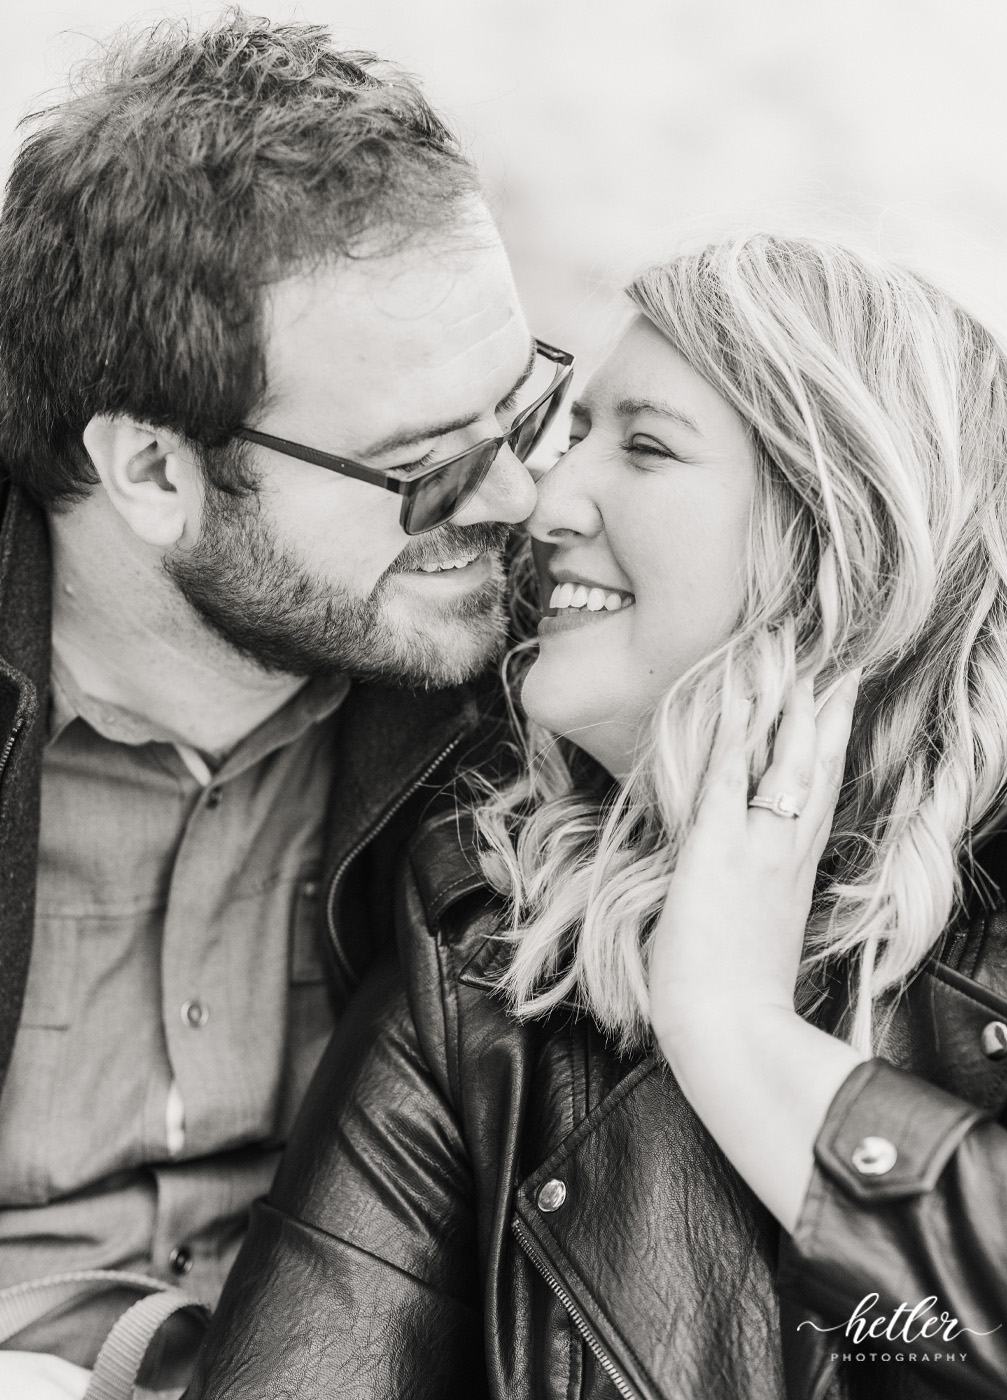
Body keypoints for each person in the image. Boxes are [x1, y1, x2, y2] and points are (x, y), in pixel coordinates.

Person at [186, 234, 1007, 1400]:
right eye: (574, 430)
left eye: (642, 445)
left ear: (841, 539)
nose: (541, 498)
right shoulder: (486, 936)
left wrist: (734, 1027)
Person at [0, 12, 574, 1398]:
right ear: (151, 473)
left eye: (529, 414)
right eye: (427, 470)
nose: (515, 504)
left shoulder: (530, 683)